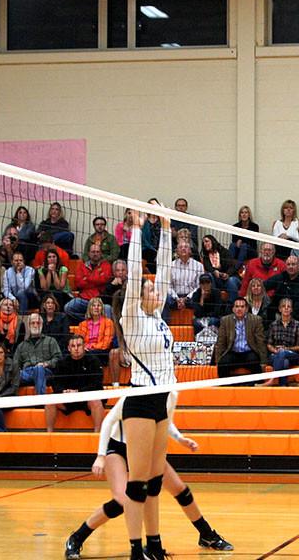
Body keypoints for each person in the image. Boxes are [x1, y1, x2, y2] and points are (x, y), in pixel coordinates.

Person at [64, 393, 232, 560]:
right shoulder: (136, 394)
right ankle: (77, 538)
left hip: (146, 448)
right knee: (122, 500)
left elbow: (164, 421)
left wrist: (180, 438)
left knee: (180, 489)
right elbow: (108, 421)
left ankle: (207, 534)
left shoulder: (171, 393)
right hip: (118, 449)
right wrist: (100, 456)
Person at [117, 205, 177, 560]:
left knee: (155, 481)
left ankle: (154, 543)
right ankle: (135, 548)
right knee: (137, 483)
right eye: (150, 288)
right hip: (140, 400)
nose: (156, 288)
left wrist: (167, 229)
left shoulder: (157, 318)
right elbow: (136, 274)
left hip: (162, 403)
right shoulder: (133, 317)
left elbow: (164, 272)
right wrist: (138, 229)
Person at [45, 335, 105, 433]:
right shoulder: (62, 363)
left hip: (87, 398)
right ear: (69, 348)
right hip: (68, 398)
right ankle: (49, 434)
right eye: (73, 346)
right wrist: (63, 391)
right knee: (50, 401)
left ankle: (97, 434)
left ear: (84, 346)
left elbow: (97, 384)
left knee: (97, 402)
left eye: (79, 345)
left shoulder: (93, 361)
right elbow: (55, 383)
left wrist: (78, 392)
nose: (76, 349)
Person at [213, 297, 268, 380]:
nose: (239, 309)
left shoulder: (256, 320)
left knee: (254, 362)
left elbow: (260, 342)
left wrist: (264, 361)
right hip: (232, 352)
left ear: (246, 309)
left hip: (249, 352)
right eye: (237, 306)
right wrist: (218, 360)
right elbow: (221, 342)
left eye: (242, 307)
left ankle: (256, 387)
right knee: (223, 363)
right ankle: (226, 389)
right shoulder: (225, 320)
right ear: (233, 309)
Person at [14, 313, 62, 395]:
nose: (35, 325)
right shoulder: (21, 345)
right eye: (33, 323)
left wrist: (46, 364)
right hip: (27, 373)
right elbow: (15, 364)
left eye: (38, 323)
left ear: (42, 325)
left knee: (39, 369)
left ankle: (40, 402)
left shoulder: (51, 341)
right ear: (28, 326)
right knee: (12, 374)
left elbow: (58, 358)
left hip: (45, 371)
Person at [64, 244, 112, 322]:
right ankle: (91, 321)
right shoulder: (82, 266)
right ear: (89, 253)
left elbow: (104, 280)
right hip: (84, 299)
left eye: (97, 252)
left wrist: (87, 278)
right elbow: (78, 283)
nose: (95, 254)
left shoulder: (106, 265)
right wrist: (96, 279)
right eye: (93, 252)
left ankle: (103, 329)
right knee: (68, 307)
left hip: (100, 299)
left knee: (108, 309)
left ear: (101, 253)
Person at [266, 298, 299, 386]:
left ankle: (272, 380)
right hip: (275, 354)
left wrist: (286, 349)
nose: (286, 308)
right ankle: (282, 386)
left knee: (283, 353)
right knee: (284, 362)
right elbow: (269, 344)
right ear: (279, 309)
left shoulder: (297, 325)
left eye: (289, 306)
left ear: (291, 309)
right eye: (283, 306)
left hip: (292, 354)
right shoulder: (273, 325)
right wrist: (276, 351)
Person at [164, 241, 204, 322]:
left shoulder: (198, 266)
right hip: (175, 298)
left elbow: (199, 286)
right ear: (177, 251)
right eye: (180, 247)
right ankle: (165, 325)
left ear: (190, 250)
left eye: (186, 247)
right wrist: (177, 299)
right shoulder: (171, 265)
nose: (183, 249)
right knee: (164, 297)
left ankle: (199, 323)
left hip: (191, 297)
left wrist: (187, 298)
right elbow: (168, 286)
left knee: (201, 295)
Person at [199, 234, 240, 303]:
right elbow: (209, 268)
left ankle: (231, 305)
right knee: (209, 275)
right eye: (203, 243)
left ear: (213, 241)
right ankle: (216, 304)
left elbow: (232, 266)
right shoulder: (206, 258)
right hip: (218, 281)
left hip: (230, 277)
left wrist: (227, 274)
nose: (205, 244)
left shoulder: (224, 252)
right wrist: (214, 271)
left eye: (207, 241)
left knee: (231, 280)